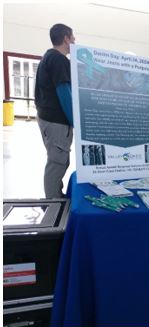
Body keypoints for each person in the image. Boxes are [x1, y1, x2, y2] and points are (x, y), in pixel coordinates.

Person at [35, 23, 76, 198]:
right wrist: (76, 121)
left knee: (58, 160)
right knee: (57, 163)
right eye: (73, 37)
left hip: (47, 119)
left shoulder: (48, 57)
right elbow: (64, 93)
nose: (75, 40)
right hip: (56, 121)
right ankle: (53, 204)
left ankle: (55, 196)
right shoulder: (58, 59)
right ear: (66, 38)